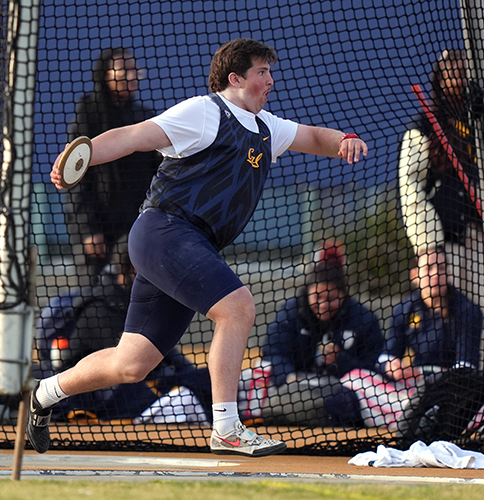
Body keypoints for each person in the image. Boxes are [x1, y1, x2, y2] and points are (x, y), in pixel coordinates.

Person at [32, 38, 369, 457]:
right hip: (164, 231)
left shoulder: (268, 128)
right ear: (235, 78)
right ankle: (227, 427)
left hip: (193, 245)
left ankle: (46, 391)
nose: (271, 80)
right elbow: (135, 136)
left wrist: (344, 140)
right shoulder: (206, 111)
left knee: (132, 364)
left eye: (270, 71)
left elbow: (315, 137)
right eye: (262, 72)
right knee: (239, 307)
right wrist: (81, 158)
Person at [34, 237, 213, 422]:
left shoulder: (138, 301)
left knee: (205, 380)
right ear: (134, 268)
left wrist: (191, 374)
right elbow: (136, 364)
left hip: (132, 390)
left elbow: (163, 351)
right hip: (99, 396)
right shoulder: (100, 308)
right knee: (187, 388)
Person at [260, 240, 383, 427]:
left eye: (332, 298)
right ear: (308, 291)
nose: (324, 304)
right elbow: (274, 352)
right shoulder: (291, 313)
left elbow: (373, 366)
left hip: (342, 393)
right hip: (294, 390)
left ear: (344, 295)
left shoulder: (363, 319)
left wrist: (340, 360)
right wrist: (287, 376)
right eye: (318, 297)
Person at [65, 47, 161, 280]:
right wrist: (89, 230)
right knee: (95, 298)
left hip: (133, 228)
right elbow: (79, 176)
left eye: (134, 69)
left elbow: (155, 174)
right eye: (124, 69)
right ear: (105, 74)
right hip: (97, 227)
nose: (132, 76)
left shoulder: (144, 117)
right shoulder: (88, 111)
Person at [398, 49, 484, 296]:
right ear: (439, 77)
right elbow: (410, 185)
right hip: (444, 244)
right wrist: (427, 243)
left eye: (463, 70)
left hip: (482, 237)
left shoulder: (482, 124)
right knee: (452, 313)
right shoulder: (425, 125)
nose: (458, 75)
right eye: (451, 69)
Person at [380, 246, 482, 384]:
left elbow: (465, 367)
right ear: (415, 275)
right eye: (429, 268)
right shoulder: (404, 309)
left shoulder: (468, 310)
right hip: (413, 385)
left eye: (441, 268)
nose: (435, 274)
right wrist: (391, 366)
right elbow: (387, 354)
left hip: (452, 389)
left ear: (448, 273)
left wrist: (421, 374)